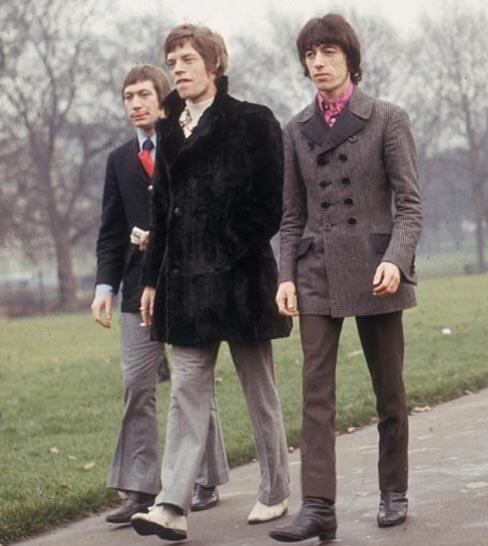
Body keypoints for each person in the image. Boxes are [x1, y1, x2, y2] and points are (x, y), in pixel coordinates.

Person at [130, 24, 292, 541]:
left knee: (258, 392)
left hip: (240, 282)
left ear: (214, 63)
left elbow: (271, 205)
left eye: (187, 58)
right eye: (172, 60)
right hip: (184, 288)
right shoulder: (169, 130)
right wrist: (153, 279)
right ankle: (172, 505)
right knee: (185, 394)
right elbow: (162, 210)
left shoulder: (253, 121)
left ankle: (275, 489)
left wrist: (223, 247)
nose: (177, 67)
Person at [268, 13, 423, 543]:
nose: (318, 63)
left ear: (349, 59)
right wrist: (285, 275)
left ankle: (393, 489)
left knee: (389, 391)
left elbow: (410, 203)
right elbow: (291, 214)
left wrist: (396, 260)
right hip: (315, 270)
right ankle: (317, 506)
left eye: (328, 52)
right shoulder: (294, 130)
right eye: (310, 54)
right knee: (315, 392)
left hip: (378, 267)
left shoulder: (387, 118)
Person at [93, 64, 229, 524]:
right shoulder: (117, 161)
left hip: (186, 280)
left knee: (193, 383)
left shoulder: (185, 144)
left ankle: (203, 479)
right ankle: (140, 486)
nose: (135, 104)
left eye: (144, 94)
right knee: (137, 383)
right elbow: (110, 230)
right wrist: (104, 287)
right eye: (128, 96)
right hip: (136, 290)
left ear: (162, 97)